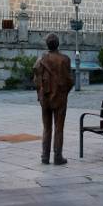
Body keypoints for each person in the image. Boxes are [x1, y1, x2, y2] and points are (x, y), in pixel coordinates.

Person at [33, 33, 75, 165]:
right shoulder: (65, 59)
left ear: (47, 45)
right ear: (58, 44)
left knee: (46, 128)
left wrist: (40, 95)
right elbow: (69, 80)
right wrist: (64, 92)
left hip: (45, 98)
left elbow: (36, 81)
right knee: (59, 128)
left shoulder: (40, 60)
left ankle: (45, 157)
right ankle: (58, 156)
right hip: (60, 98)